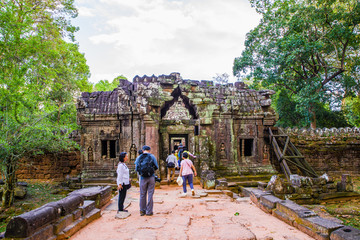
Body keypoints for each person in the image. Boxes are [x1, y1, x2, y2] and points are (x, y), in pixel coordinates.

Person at [135, 145, 159, 216]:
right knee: (150, 194)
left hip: (142, 178)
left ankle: (142, 211)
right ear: (149, 150)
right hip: (151, 177)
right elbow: (156, 167)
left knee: (142, 194)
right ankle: (149, 211)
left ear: (143, 150)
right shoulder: (152, 156)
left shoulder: (139, 157)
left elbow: (136, 168)